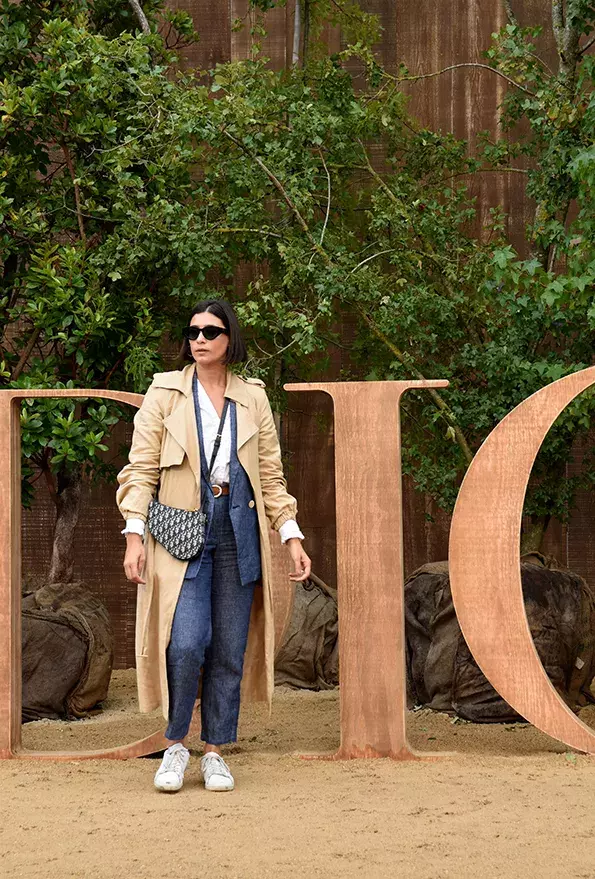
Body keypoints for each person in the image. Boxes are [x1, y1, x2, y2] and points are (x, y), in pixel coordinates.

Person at [116, 299, 311, 793]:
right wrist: (134, 535)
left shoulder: (253, 397)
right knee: (185, 642)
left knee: (228, 647)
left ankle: (216, 751)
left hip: (237, 530)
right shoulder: (165, 392)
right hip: (181, 530)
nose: (199, 339)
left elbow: (270, 475)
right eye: (193, 332)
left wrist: (290, 535)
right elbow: (140, 470)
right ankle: (176, 745)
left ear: (229, 339)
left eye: (210, 331)